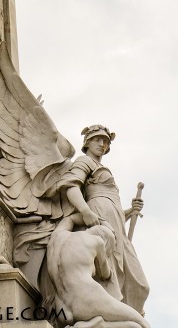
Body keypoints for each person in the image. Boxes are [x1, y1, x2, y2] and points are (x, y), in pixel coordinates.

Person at [57, 125, 149, 315]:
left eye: (106, 141)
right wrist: (85, 211)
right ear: (87, 142)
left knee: (140, 286)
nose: (102, 144)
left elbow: (113, 211)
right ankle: (112, 316)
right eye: (98, 139)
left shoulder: (101, 166)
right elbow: (71, 187)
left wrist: (130, 211)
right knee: (109, 273)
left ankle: (129, 317)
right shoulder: (85, 161)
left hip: (115, 223)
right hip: (97, 214)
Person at [46, 217, 150, 328]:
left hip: (62, 309)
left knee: (133, 327)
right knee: (143, 325)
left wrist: (100, 220)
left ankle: (95, 324)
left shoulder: (57, 236)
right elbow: (105, 273)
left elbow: (71, 218)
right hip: (86, 298)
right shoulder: (98, 242)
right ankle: (94, 324)